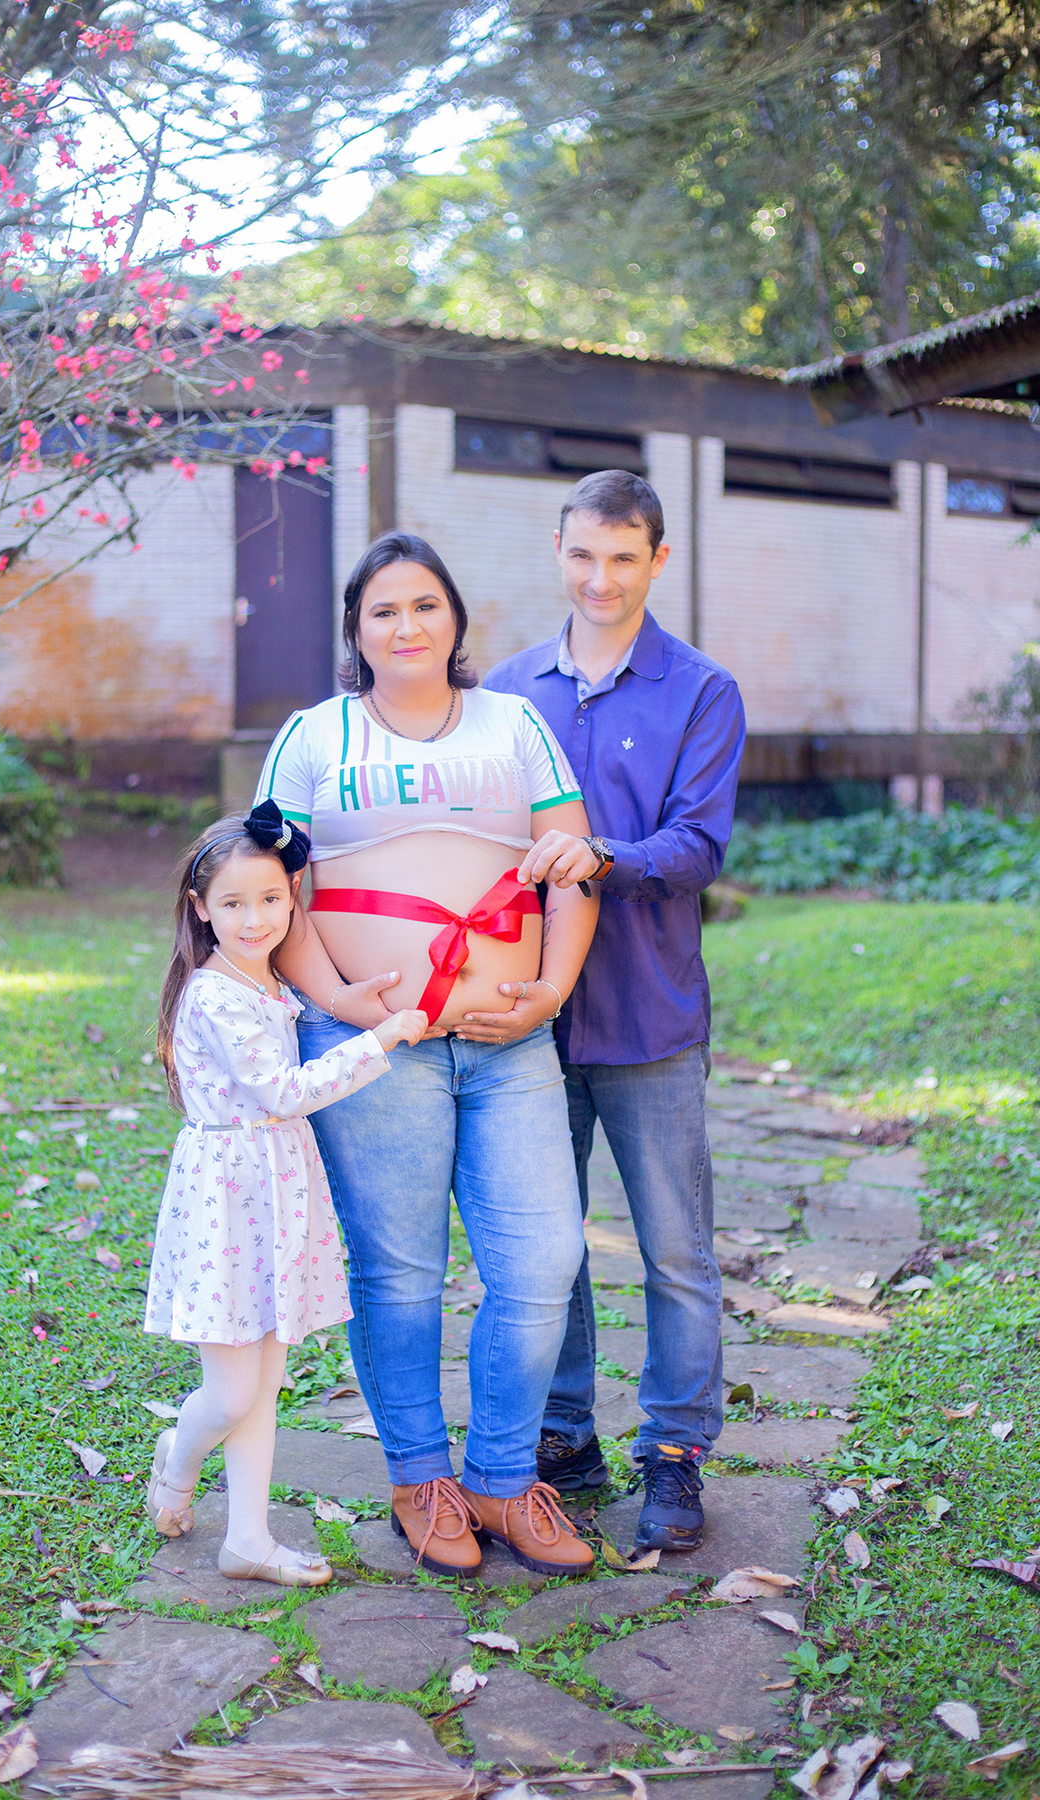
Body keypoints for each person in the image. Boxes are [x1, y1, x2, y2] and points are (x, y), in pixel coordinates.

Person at [254, 530, 599, 1580]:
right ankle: (420, 1479)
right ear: (357, 633)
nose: (407, 626)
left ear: (455, 621)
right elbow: (274, 890)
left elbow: (571, 869)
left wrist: (552, 988)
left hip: (509, 1044)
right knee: (401, 1274)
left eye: (425, 607)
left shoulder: (516, 724)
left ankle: (499, 1480)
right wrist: (336, 998)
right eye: (383, 612)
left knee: (542, 1265)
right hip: (370, 1051)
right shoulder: (315, 736)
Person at [481, 469, 746, 1554]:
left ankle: (675, 1456)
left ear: (658, 561)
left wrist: (601, 856)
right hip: (525, 1021)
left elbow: (697, 847)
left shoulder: (700, 691)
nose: (601, 578)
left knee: (675, 1249)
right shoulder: (503, 691)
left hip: (649, 1021)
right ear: (558, 550)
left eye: (624, 558)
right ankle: (564, 1438)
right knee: (552, 1247)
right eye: (583, 555)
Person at [142, 798, 428, 1586]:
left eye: (271, 898)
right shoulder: (213, 992)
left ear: (290, 899)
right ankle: (177, 1455)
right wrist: (382, 1037)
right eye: (233, 903)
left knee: (264, 1381)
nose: (255, 917)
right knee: (232, 1390)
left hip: (275, 1189)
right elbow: (280, 1092)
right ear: (200, 911)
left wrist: (351, 1000)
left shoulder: (265, 984)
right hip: (227, 1197)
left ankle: (248, 1540)